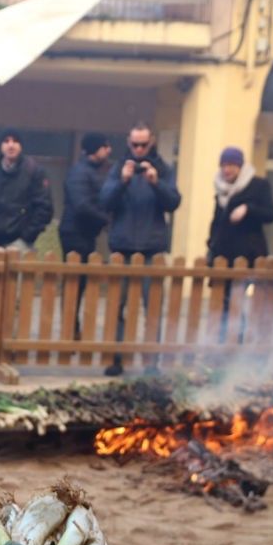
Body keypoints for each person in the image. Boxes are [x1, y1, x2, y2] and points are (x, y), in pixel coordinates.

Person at [98, 121, 182, 376]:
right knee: (117, 307)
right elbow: (104, 201)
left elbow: (174, 202)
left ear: (151, 142)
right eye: (135, 144)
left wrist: (156, 183)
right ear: (128, 142)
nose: (139, 149)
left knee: (153, 307)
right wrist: (122, 181)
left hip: (151, 249)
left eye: (144, 144)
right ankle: (116, 360)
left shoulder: (163, 169)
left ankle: (152, 363)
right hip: (122, 248)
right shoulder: (118, 169)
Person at [59, 132, 112, 335]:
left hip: (85, 233)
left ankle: (73, 329)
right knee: (74, 282)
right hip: (75, 233)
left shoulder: (93, 171)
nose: (108, 150)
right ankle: (70, 330)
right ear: (95, 149)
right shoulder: (80, 172)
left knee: (79, 282)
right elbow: (82, 205)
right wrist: (106, 220)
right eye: (105, 146)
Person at [0, 128, 53, 251]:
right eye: (6, 141)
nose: (11, 145)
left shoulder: (34, 171)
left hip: (23, 244)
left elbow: (45, 208)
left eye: (15, 141)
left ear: (21, 146)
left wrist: (26, 237)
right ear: (1, 146)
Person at [207, 146, 273, 266]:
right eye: (223, 166)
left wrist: (248, 209)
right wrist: (211, 244)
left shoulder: (259, 186)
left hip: (249, 257)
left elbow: (271, 214)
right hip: (222, 258)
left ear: (240, 166)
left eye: (231, 165)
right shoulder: (221, 190)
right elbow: (217, 222)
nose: (226, 170)